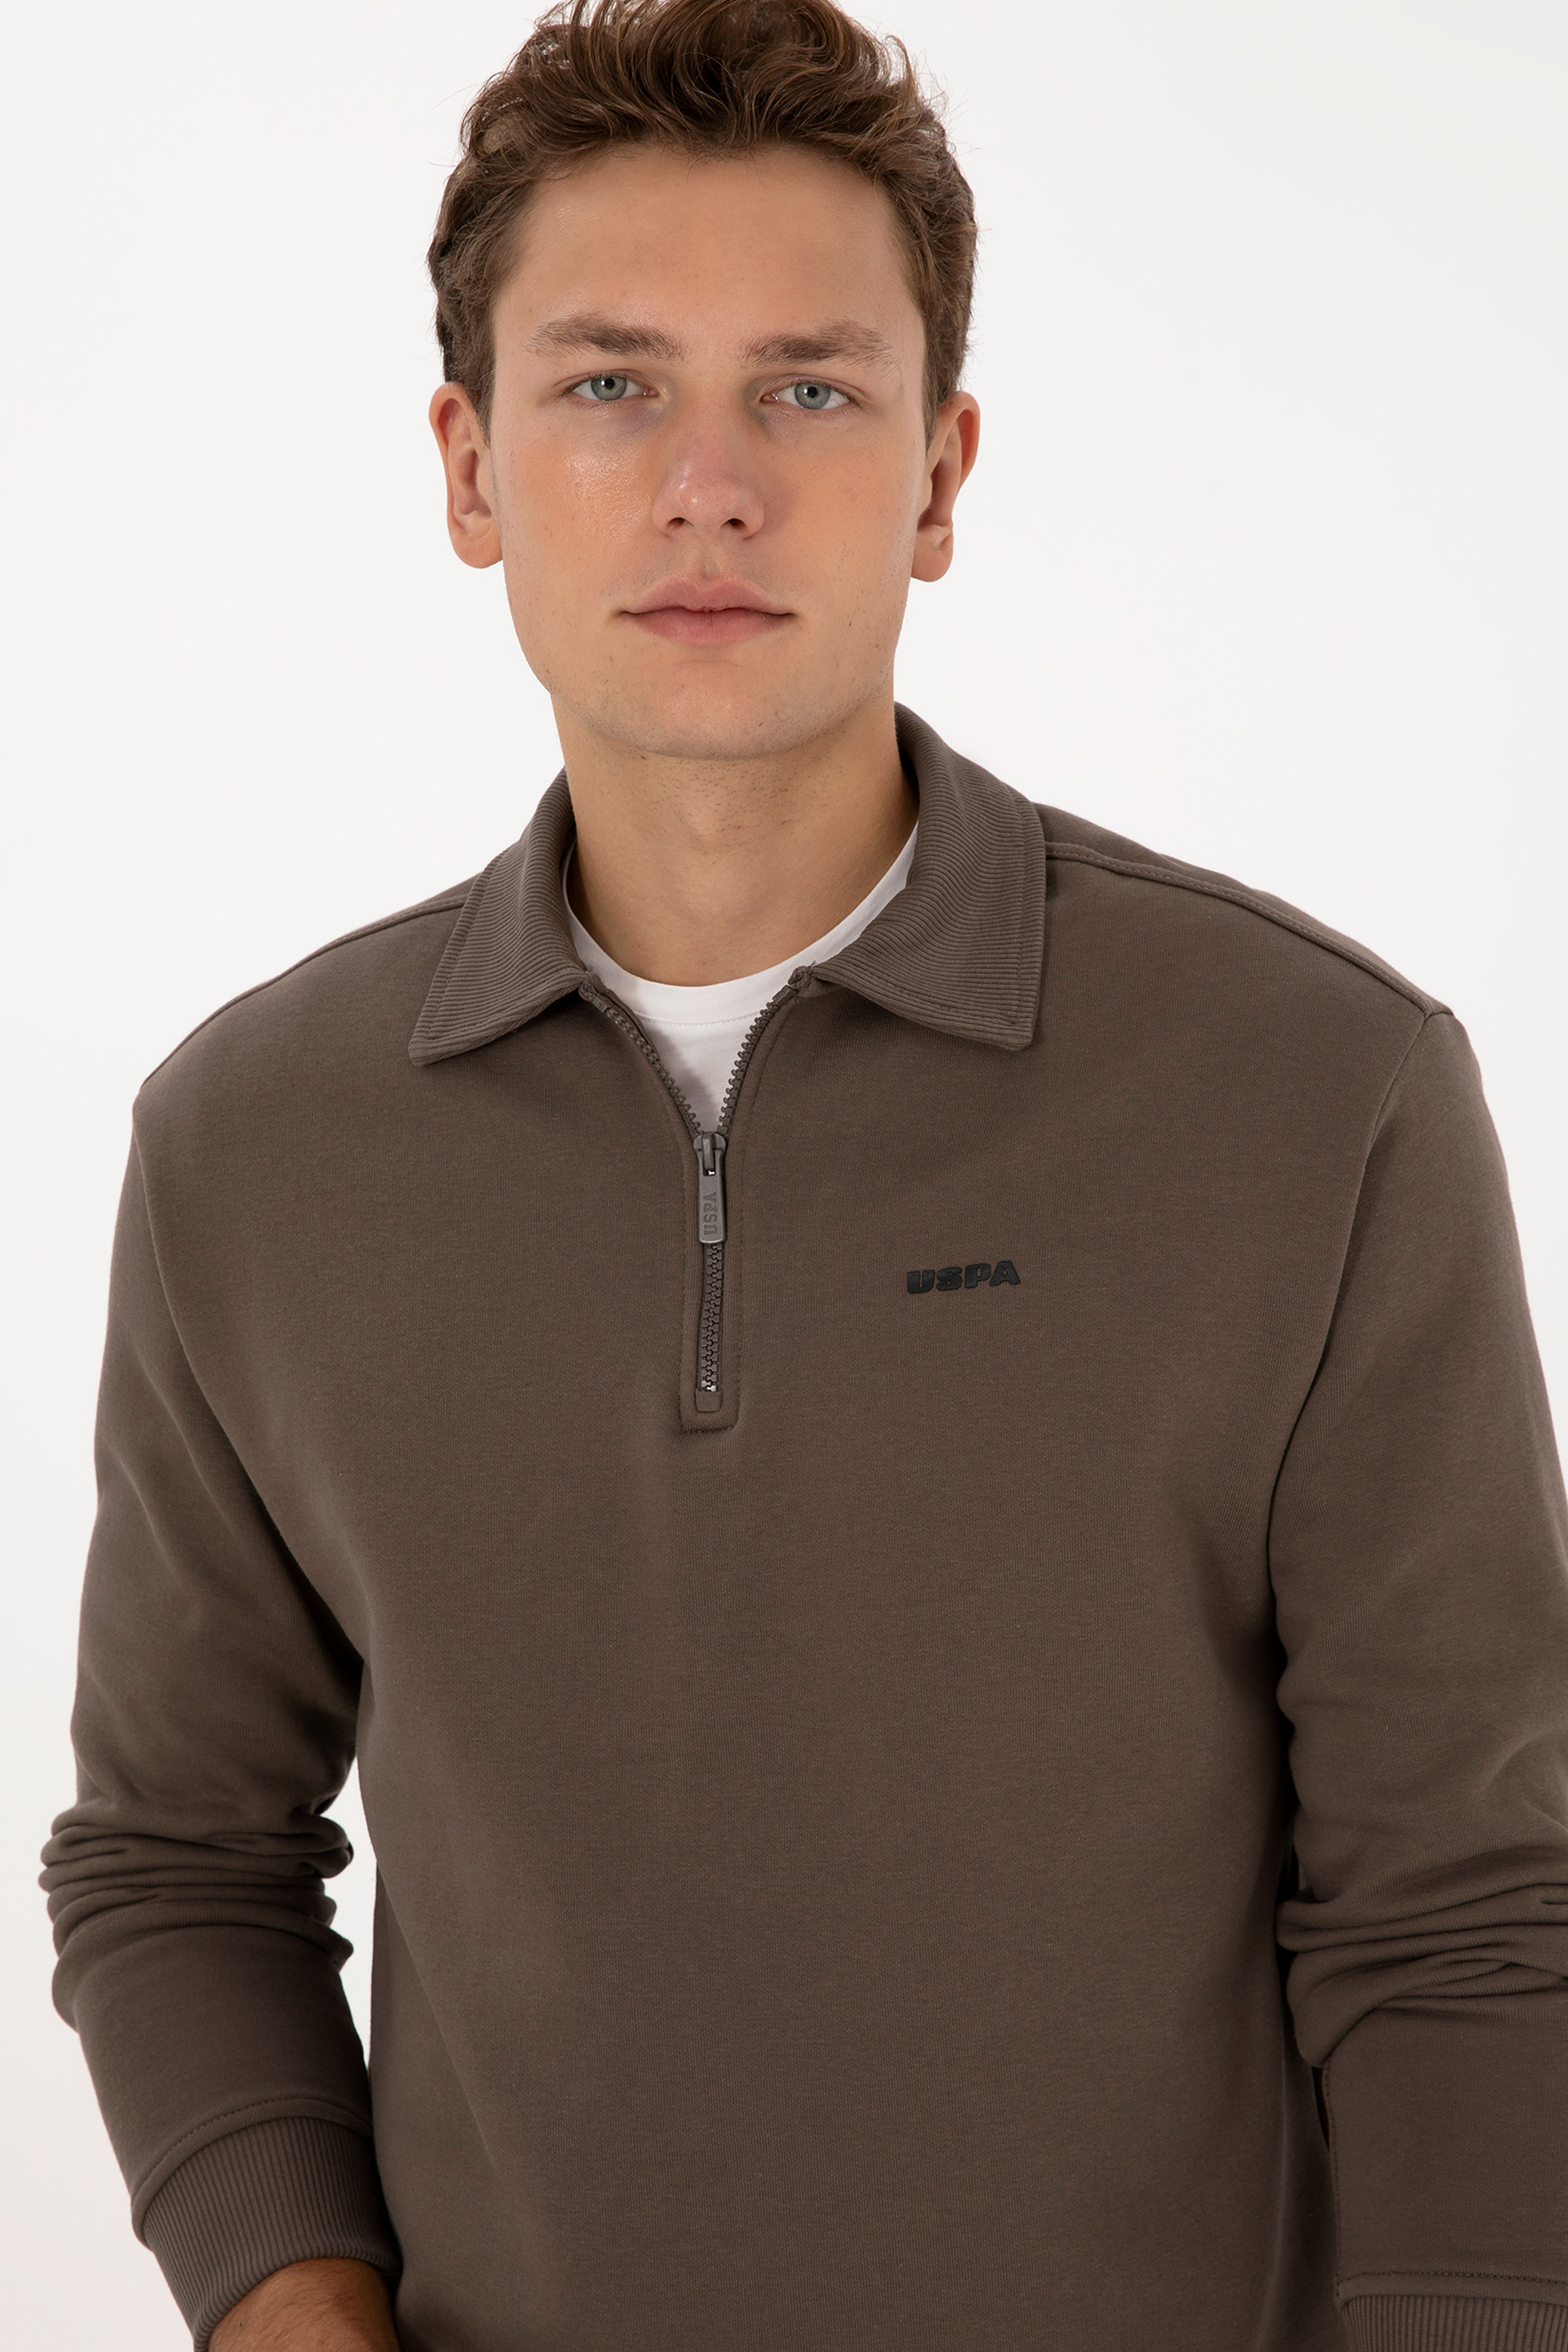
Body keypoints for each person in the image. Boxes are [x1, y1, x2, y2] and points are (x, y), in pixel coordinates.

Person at [41, 0, 1568, 2346]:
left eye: (811, 391)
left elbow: (1468, 1906)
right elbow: (175, 1859)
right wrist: (289, 2317)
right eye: (610, 383)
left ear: (941, 476)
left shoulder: (1319, 1087)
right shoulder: (251, 1145)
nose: (709, 483)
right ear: (469, 467)